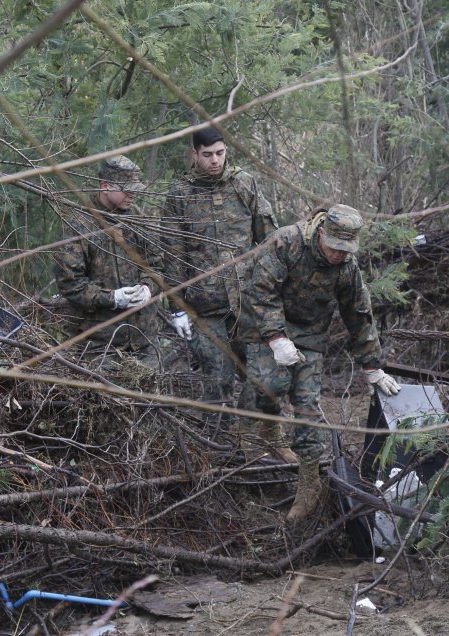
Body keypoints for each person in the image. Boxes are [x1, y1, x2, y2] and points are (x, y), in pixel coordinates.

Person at [242, 204, 401, 521]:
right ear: (322, 232)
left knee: (308, 405)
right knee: (270, 385)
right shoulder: (286, 242)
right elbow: (260, 291)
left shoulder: (346, 267)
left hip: (311, 335)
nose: (338, 255)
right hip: (266, 326)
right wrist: (276, 337)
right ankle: (269, 430)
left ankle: (309, 485)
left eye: (346, 250)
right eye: (334, 248)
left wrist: (372, 367)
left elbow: (358, 314)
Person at [165, 127, 291, 459]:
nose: (215, 161)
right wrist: (176, 307)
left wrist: (275, 289)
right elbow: (172, 255)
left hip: (247, 302)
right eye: (207, 155)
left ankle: (268, 436)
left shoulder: (244, 184)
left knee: (264, 374)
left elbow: (269, 239)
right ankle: (216, 450)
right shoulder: (180, 194)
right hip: (204, 308)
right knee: (217, 380)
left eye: (220, 153)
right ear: (194, 155)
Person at [53, 155, 160, 365]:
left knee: (151, 398)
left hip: (144, 341)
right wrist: (112, 298)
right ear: (105, 186)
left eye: (135, 188)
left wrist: (148, 288)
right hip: (98, 347)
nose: (133, 194)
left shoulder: (138, 219)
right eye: (126, 189)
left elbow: (157, 263)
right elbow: (70, 283)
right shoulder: (80, 224)